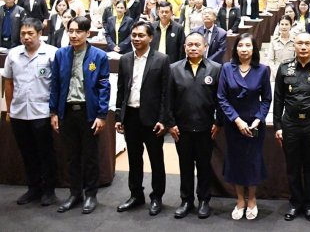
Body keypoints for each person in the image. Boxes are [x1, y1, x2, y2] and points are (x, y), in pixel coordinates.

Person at [49, 15, 110, 214]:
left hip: (88, 112)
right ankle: (75, 193)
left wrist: (102, 115)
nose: (74, 35)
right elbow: (55, 85)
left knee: (90, 156)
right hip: (67, 111)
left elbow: (103, 86)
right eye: (71, 31)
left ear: (87, 33)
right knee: (71, 156)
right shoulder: (61, 54)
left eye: (78, 31)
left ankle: (90, 194)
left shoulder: (98, 56)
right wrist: (54, 112)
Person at [274, 33, 310, 221]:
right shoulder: (284, 69)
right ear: (294, 45)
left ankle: (309, 205)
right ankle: (295, 203)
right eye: (300, 43)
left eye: (307, 43)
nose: (303, 47)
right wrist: (277, 126)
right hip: (290, 123)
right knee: (292, 167)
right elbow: (278, 99)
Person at [114, 22, 171, 216]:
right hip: (130, 116)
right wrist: (118, 116)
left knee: (156, 160)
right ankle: (136, 195)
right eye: (134, 35)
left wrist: (163, 119)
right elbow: (121, 89)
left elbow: (166, 93)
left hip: (152, 119)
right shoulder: (125, 59)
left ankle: (157, 197)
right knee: (134, 159)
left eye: (141, 35)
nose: (136, 39)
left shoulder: (162, 60)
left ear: (150, 38)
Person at [166, 32, 222, 219]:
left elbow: (221, 100)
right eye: (189, 45)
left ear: (205, 47)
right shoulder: (174, 69)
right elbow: (168, 100)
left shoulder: (216, 69)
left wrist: (218, 122)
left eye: (197, 44)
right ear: (184, 47)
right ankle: (186, 200)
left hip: (207, 128)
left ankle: (204, 200)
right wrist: (171, 124)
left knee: (205, 166)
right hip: (182, 129)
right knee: (185, 165)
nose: (193, 48)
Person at [2, 18, 58, 206]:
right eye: (23, 34)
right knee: (27, 152)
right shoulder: (14, 54)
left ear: (40, 33)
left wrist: (54, 112)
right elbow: (8, 82)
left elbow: (58, 85)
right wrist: (10, 110)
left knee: (46, 153)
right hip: (19, 112)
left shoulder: (52, 53)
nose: (26, 38)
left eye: (30, 34)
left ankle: (49, 190)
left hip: (42, 111)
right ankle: (33, 188)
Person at [218, 33, 272, 221]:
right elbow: (222, 98)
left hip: (254, 123)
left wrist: (258, 119)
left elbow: (266, 99)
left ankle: (252, 199)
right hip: (234, 123)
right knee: (236, 161)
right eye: (240, 45)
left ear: (253, 49)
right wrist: (237, 120)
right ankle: (240, 199)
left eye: (248, 45)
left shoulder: (263, 70)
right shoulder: (226, 68)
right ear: (235, 49)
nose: (244, 49)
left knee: (252, 161)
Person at [268, 15, 296, 82]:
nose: (284, 27)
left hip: (291, 75)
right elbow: (270, 60)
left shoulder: (295, 41)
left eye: (286, 24)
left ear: (291, 26)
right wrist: (276, 73)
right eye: (282, 24)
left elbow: (297, 59)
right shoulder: (274, 41)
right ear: (279, 25)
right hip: (276, 75)